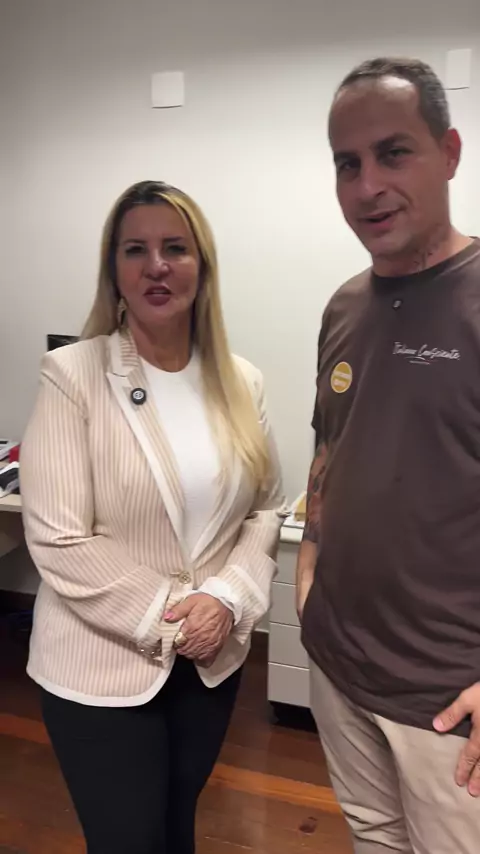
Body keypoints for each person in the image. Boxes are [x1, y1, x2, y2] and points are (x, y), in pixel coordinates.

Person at [20, 180, 285, 854]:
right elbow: (59, 538)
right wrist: (177, 616)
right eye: (135, 250)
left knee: (176, 826)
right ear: (114, 270)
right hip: (100, 668)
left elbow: (265, 509)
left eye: (175, 248)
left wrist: (226, 599)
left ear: (203, 265)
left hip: (210, 662)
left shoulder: (242, 381)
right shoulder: (71, 375)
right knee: (129, 839)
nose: (157, 266)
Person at [296, 57, 480, 854]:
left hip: (447, 701)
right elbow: (330, 447)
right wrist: (307, 576)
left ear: (450, 152)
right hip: (340, 665)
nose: (367, 186)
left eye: (393, 153)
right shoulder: (344, 307)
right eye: (348, 163)